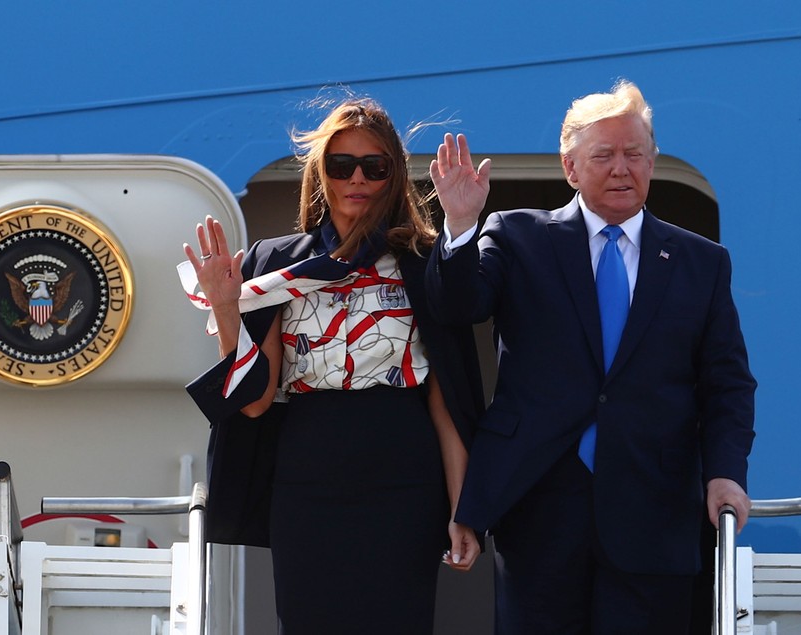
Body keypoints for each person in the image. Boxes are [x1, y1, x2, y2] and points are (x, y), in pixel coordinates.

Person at [425, 79, 757, 634]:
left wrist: (726, 473)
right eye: (603, 155)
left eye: (635, 154)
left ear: (652, 162)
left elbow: (727, 383)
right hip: (538, 506)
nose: (621, 168)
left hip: (654, 510)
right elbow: (459, 306)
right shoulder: (517, 236)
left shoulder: (702, 263)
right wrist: (459, 227)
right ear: (571, 167)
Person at [179, 96, 484, 635]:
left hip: (405, 482)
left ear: (393, 175)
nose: (357, 178)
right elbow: (252, 400)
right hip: (308, 481)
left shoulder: (421, 260)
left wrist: (464, 508)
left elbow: (446, 399)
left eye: (375, 166)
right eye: (342, 165)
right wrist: (227, 306)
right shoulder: (278, 265)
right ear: (322, 174)